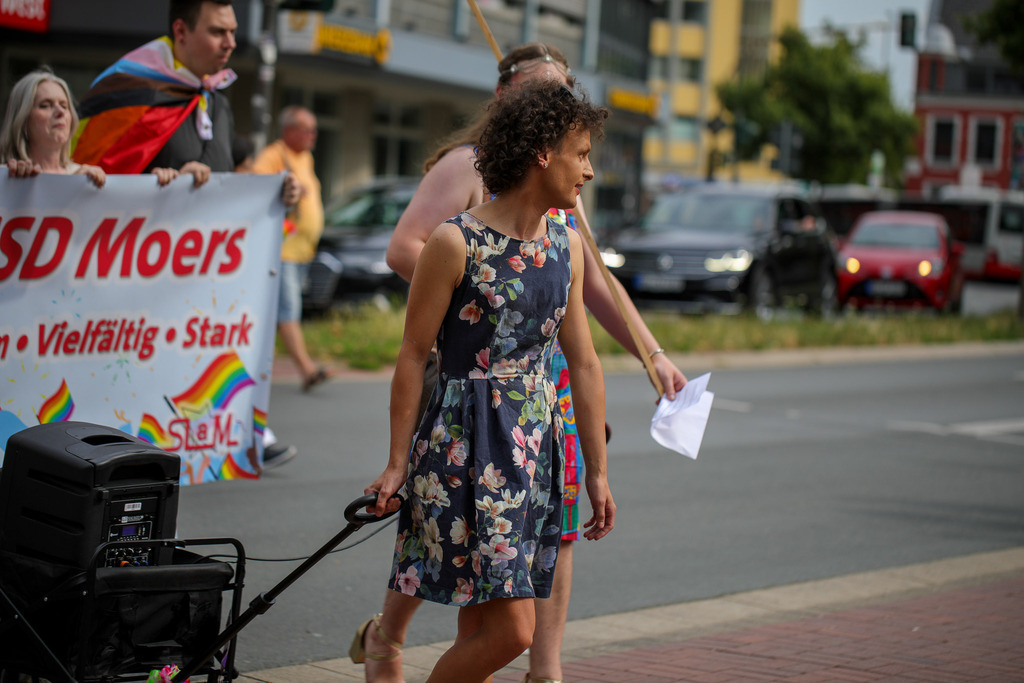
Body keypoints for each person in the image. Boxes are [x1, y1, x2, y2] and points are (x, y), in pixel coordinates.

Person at [360, 43, 688, 683]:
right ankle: (388, 644)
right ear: (543, 152)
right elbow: (410, 354)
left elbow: (585, 364)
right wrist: (397, 460)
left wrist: (596, 469)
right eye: (583, 154)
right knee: (511, 627)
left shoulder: (562, 241)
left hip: (533, 442)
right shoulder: (456, 240)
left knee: (484, 626)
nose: (590, 172)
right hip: (465, 439)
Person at [71, 0, 299, 469]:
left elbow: (225, 179)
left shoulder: (214, 96)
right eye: (218, 31)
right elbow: (88, 182)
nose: (231, 43)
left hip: (202, 270)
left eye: (233, 32)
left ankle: (233, 428)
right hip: (138, 278)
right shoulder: (131, 90)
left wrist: (275, 193)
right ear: (180, 31)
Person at [253, 106, 330, 392]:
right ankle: (306, 369)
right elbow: (256, 184)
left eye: (314, 129)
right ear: (289, 131)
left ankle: (253, 366)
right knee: (288, 310)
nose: (312, 135)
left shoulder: (304, 157)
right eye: (306, 129)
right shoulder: (275, 154)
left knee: (274, 313)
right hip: (282, 251)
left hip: (300, 251)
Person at [1, 68, 106, 187]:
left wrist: (87, 187)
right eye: (45, 106)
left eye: (64, 106)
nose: (60, 112)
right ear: (23, 120)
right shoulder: (6, 176)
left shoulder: (85, 176)